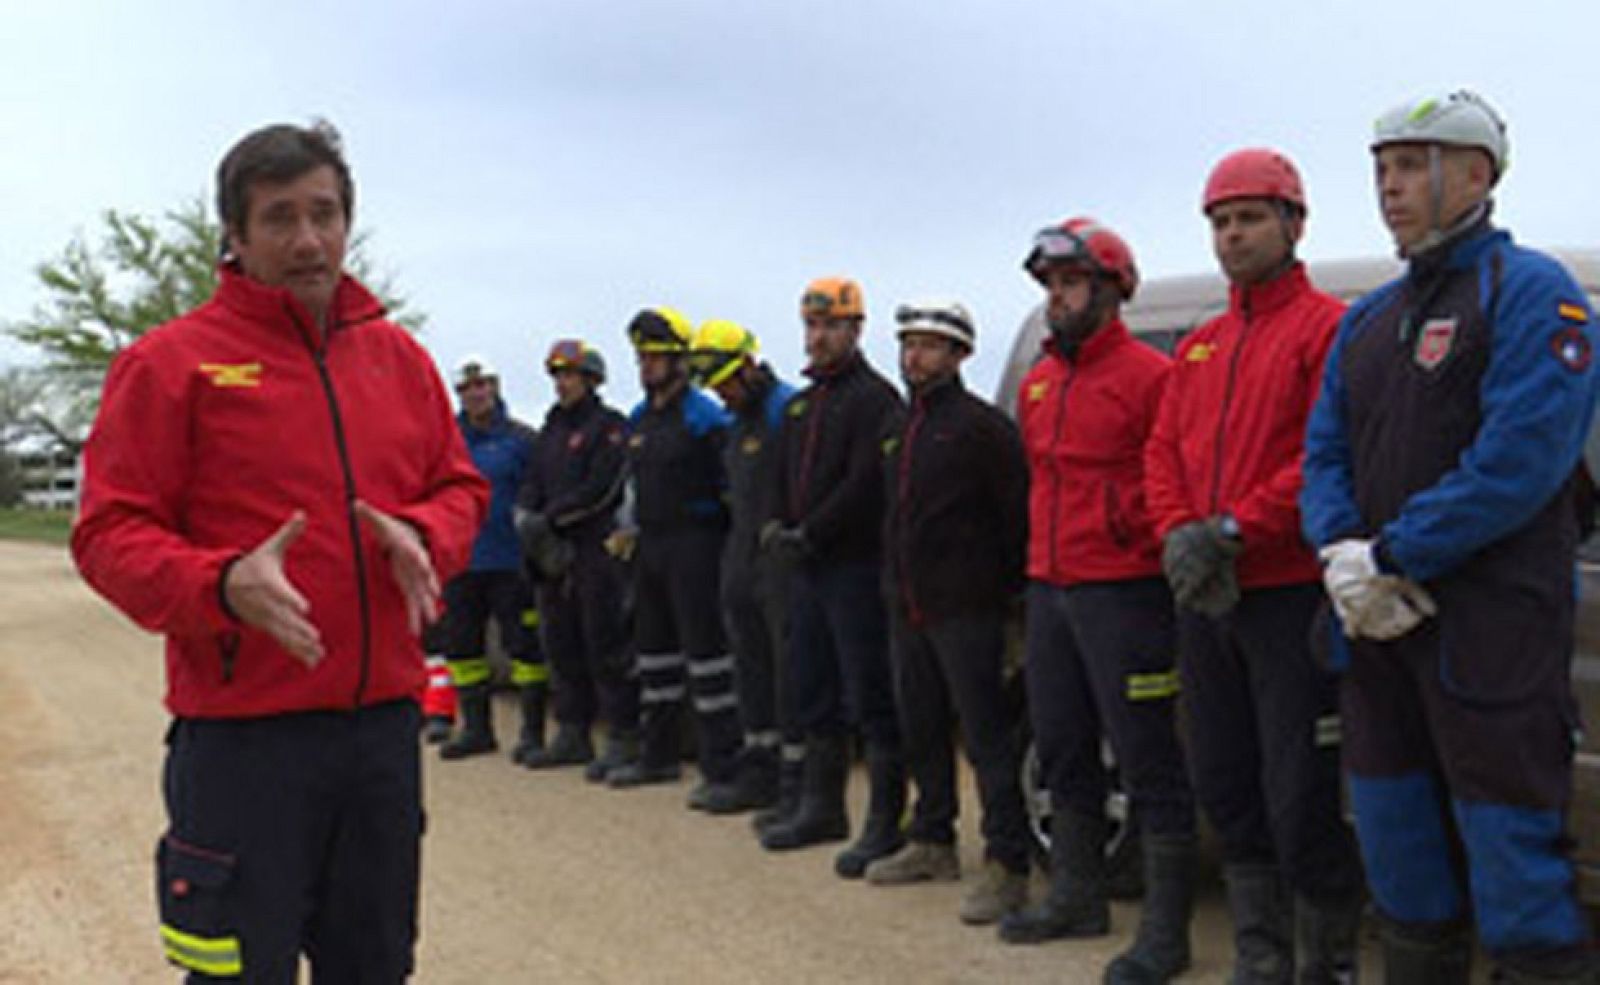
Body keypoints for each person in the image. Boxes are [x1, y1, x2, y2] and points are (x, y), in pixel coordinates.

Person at [71, 121, 488, 980]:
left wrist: (426, 535)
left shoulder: (401, 361)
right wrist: (221, 582)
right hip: (241, 746)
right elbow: (109, 534)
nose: (308, 239)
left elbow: (461, 488)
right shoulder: (169, 365)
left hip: (378, 737)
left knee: (373, 966)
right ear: (234, 234)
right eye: (279, 218)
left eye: (326, 213)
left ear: (348, 221)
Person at [1303, 90, 1600, 983]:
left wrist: (1394, 556)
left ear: (1475, 173)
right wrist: (1342, 556)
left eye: (1410, 166)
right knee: (1399, 857)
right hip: (1376, 638)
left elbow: (1520, 458)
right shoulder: (1365, 320)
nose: (1389, 188)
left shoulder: (1530, 292)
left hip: (1492, 637)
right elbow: (1322, 452)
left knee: (1515, 866)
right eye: (1382, 168)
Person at [1144, 150, 1366, 983]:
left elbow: (1325, 456)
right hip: (1206, 599)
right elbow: (1162, 448)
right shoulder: (1202, 343)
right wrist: (1180, 535)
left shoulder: (1327, 330)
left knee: (1299, 787)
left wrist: (1232, 530)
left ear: (1294, 223)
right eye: (1220, 220)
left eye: (1249, 217)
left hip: (1286, 598)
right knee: (1225, 779)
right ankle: (1260, 951)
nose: (1231, 234)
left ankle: (1327, 960)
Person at [996, 218, 1197, 980]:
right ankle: (1076, 895)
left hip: (1127, 592)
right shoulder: (1042, 381)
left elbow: (1172, 476)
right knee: (1063, 744)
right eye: (1049, 284)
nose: (1057, 296)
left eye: (1071, 281)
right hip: (1051, 587)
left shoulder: (1152, 375)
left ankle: (1165, 933)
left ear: (1112, 287)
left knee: (1149, 758)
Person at [861, 300, 1032, 926]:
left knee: (986, 738)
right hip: (909, 604)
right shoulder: (900, 428)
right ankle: (932, 839)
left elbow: (1016, 515)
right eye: (909, 343)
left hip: (969, 607)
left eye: (931, 345)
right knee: (921, 726)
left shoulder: (983, 428)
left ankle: (1007, 863)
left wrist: (1007, 598)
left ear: (960, 354)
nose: (915, 355)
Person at [758, 276, 908, 881]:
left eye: (830, 326)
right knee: (810, 685)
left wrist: (812, 530)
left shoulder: (875, 398)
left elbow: (867, 481)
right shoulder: (802, 403)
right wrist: (775, 525)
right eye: (811, 326)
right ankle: (821, 807)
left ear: (855, 329)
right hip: (807, 570)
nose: (818, 337)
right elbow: (776, 472)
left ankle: (884, 820)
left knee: (869, 694)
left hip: (855, 566)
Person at [605, 307, 744, 804]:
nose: (646, 366)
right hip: (651, 544)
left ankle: (722, 765)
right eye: (641, 357)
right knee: (654, 655)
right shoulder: (640, 418)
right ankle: (657, 755)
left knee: (708, 659)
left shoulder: (704, 414)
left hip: (698, 542)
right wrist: (626, 530)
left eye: (656, 357)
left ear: (680, 361)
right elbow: (633, 485)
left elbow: (731, 483)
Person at [685, 320, 798, 814]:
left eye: (726, 383)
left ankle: (798, 782)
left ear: (749, 367)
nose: (722, 395)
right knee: (749, 671)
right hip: (742, 555)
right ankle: (759, 770)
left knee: (788, 672)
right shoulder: (738, 423)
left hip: (782, 564)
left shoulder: (786, 411)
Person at [514, 339, 638, 777]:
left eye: (570, 375)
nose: (562, 384)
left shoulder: (609, 426)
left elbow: (603, 488)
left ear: (591, 380)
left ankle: (622, 735)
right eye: (557, 376)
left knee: (605, 643)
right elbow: (532, 479)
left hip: (593, 548)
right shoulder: (551, 428)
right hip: (552, 555)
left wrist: (552, 518)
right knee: (560, 643)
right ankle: (572, 731)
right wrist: (527, 515)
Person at [436, 356, 549, 764]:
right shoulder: (445, 440)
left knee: (524, 649)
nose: (475, 394)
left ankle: (533, 734)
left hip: (511, 560)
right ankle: (477, 730)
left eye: (482, 385)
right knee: (462, 648)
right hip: (462, 560)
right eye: (467, 388)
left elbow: (540, 490)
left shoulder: (523, 439)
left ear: (495, 388)